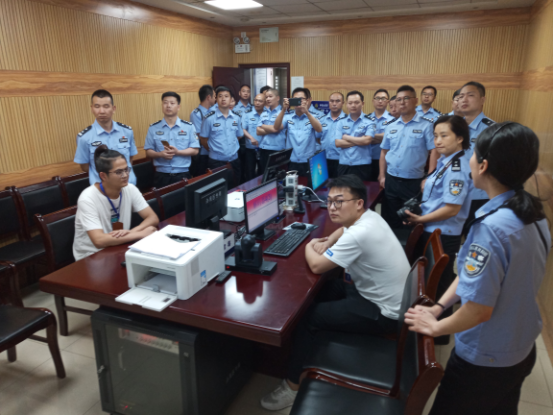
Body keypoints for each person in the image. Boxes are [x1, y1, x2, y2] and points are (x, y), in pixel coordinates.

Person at [405, 122, 550, 415]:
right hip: (521, 346)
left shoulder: (491, 229)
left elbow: (479, 309)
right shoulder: (533, 213)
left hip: (486, 358)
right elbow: (472, 277)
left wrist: (436, 327)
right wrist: (439, 307)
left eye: (473, 153)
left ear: (483, 166)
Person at [261, 174, 410, 411]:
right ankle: (301, 351)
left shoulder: (360, 234)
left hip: (383, 313)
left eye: (339, 202)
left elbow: (316, 265)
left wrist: (310, 244)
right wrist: (329, 240)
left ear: (358, 203)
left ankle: (292, 386)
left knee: (307, 317)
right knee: (321, 291)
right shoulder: (369, 217)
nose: (332, 207)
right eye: (329, 201)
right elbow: (343, 231)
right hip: (379, 295)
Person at [402, 115, 472, 344]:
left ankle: (439, 336)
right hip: (432, 227)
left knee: (440, 283)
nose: (438, 141)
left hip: (443, 233)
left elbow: (452, 208)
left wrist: (421, 218)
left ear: (460, 138)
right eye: (435, 136)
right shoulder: (445, 161)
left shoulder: (457, 167)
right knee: (432, 280)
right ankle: (430, 325)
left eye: (444, 135)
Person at [73, 146, 159, 261]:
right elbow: (99, 241)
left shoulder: (130, 188)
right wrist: (141, 234)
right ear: (103, 176)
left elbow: (152, 217)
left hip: (119, 246)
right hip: (92, 255)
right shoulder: (87, 198)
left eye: (126, 169)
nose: (125, 175)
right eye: (119, 172)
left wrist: (130, 232)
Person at [379, 85, 438, 229]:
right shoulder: (391, 126)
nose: (402, 102)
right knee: (390, 218)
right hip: (391, 179)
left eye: (406, 98)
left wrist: (429, 178)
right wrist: (382, 175)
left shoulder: (426, 125)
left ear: (415, 100)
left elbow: (435, 151)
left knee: (411, 220)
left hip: (413, 182)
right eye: (399, 99)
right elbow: (384, 152)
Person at [74, 89, 138, 186]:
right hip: (102, 189)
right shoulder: (84, 137)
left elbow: (130, 158)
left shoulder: (127, 131)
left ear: (113, 109)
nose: (101, 111)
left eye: (106, 106)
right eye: (97, 106)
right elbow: (85, 166)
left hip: (128, 186)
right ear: (92, 109)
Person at [458, 81, 495, 235]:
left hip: (478, 195)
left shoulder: (491, 130)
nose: (464, 99)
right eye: (461, 96)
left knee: (475, 237)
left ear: (482, 100)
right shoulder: (455, 127)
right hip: (455, 192)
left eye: (470, 95)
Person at [144, 92, 200, 188]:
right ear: (162, 106)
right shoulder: (153, 128)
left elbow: (195, 150)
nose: (168, 105)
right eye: (165, 102)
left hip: (182, 174)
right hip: (161, 175)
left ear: (178, 107)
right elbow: (148, 152)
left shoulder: (189, 127)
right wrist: (160, 154)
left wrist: (178, 152)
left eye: (172, 103)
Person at [271, 88, 323, 177]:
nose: (298, 102)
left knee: (308, 185)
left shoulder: (314, 117)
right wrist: (283, 110)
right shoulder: (288, 117)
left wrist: (306, 112)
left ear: (307, 101)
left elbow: (319, 129)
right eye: (295, 99)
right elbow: (276, 127)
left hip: (308, 161)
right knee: (292, 185)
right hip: (292, 161)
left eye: (301, 99)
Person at [199, 86, 243, 186]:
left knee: (235, 188)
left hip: (234, 160)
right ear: (216, 99)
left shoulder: (236, 117)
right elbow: (203, 139)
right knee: (218, 189)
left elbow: (239, 136)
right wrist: (215, 149)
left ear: (231, 99)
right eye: (220, 96)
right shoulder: (209, 118)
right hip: (216, 162)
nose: (223, 99)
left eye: (226, 96)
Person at [334, 91, 376, 182]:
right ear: (346, 104)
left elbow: (367, 141)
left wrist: (347, 137)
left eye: (356, 102)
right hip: (344, 165)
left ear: (362, 103)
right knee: (343, 190)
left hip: (362, 167)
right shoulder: (341, 122)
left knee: (362, 190)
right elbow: (338, 143)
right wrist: (360, 140)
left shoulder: (370, 121)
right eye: (350, 103)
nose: (353, 105)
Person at [316, 92, 347, 178]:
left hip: (341, 161)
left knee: (340, 184)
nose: (334, 104)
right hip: (324, 160)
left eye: (337, 101)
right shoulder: (321, 120)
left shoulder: (348, 120)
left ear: (343, 103)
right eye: (331, 101)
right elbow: (318, 138)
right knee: (324, 184)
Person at [256, 88, 287, 175]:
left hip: (277, 150)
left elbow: (277, 129)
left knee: (277, 176)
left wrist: (263, 125)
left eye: (270, 96)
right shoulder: (264, 113)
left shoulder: (283, 112)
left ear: (277, 98)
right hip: (263, 149)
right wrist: (272, 129)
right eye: (266, 97)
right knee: (264, 176)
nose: (268, 99)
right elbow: (258, 131)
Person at [368, 89, 395, 181]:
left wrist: (369, 136)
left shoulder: (393, 119)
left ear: (388, 101)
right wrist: (383, 137)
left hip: (386, 161)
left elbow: (391, 138)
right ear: (373, 101)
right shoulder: (366, 119)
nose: (380, 101)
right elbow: (361, 138)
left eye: (383, 99)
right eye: (378, 98)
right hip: (368, 160)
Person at [190, 84, 215, 177]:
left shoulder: (213, 111)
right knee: (202, 179)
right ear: (209, 97)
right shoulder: (196, 113)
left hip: (213, 153)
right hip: (203, 154)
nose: (215, 99)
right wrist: (212, 149)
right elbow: (200, 135)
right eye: (214, 96)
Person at [241, 93, 267, 181]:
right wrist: (251, 138)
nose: (257, 103)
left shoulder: (267, 114)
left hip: (264, 149)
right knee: (249, 173)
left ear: (265, 103)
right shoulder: (247, 114)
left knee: (263, 173)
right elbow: (242, 129)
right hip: (250, 149)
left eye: (260, 101)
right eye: (256, 100)